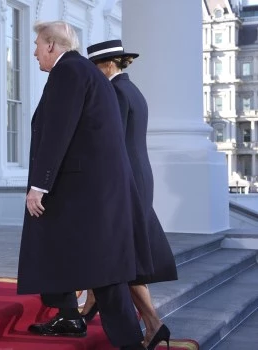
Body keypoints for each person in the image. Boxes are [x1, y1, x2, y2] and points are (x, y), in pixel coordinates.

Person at [17, 21, 153, 350]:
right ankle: (74, 315)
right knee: (96, 267)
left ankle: (127, 340)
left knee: (102, 272)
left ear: (51, 45)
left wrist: (39, 185)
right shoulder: (87, 73)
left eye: (37, 44)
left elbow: (57, 132)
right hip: (93, 190)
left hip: (83, 192)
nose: (34, 51)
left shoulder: (68, 72)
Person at [82, 39, 178, 350]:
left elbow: (112, 146)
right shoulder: (132, 90)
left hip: (127, 181)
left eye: (94, 68)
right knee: (131, 257)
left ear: (108, 65)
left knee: (126, 258)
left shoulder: (114, 91)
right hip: (139, 176)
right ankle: (149, 324)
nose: (92, 75)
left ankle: (152, 323)